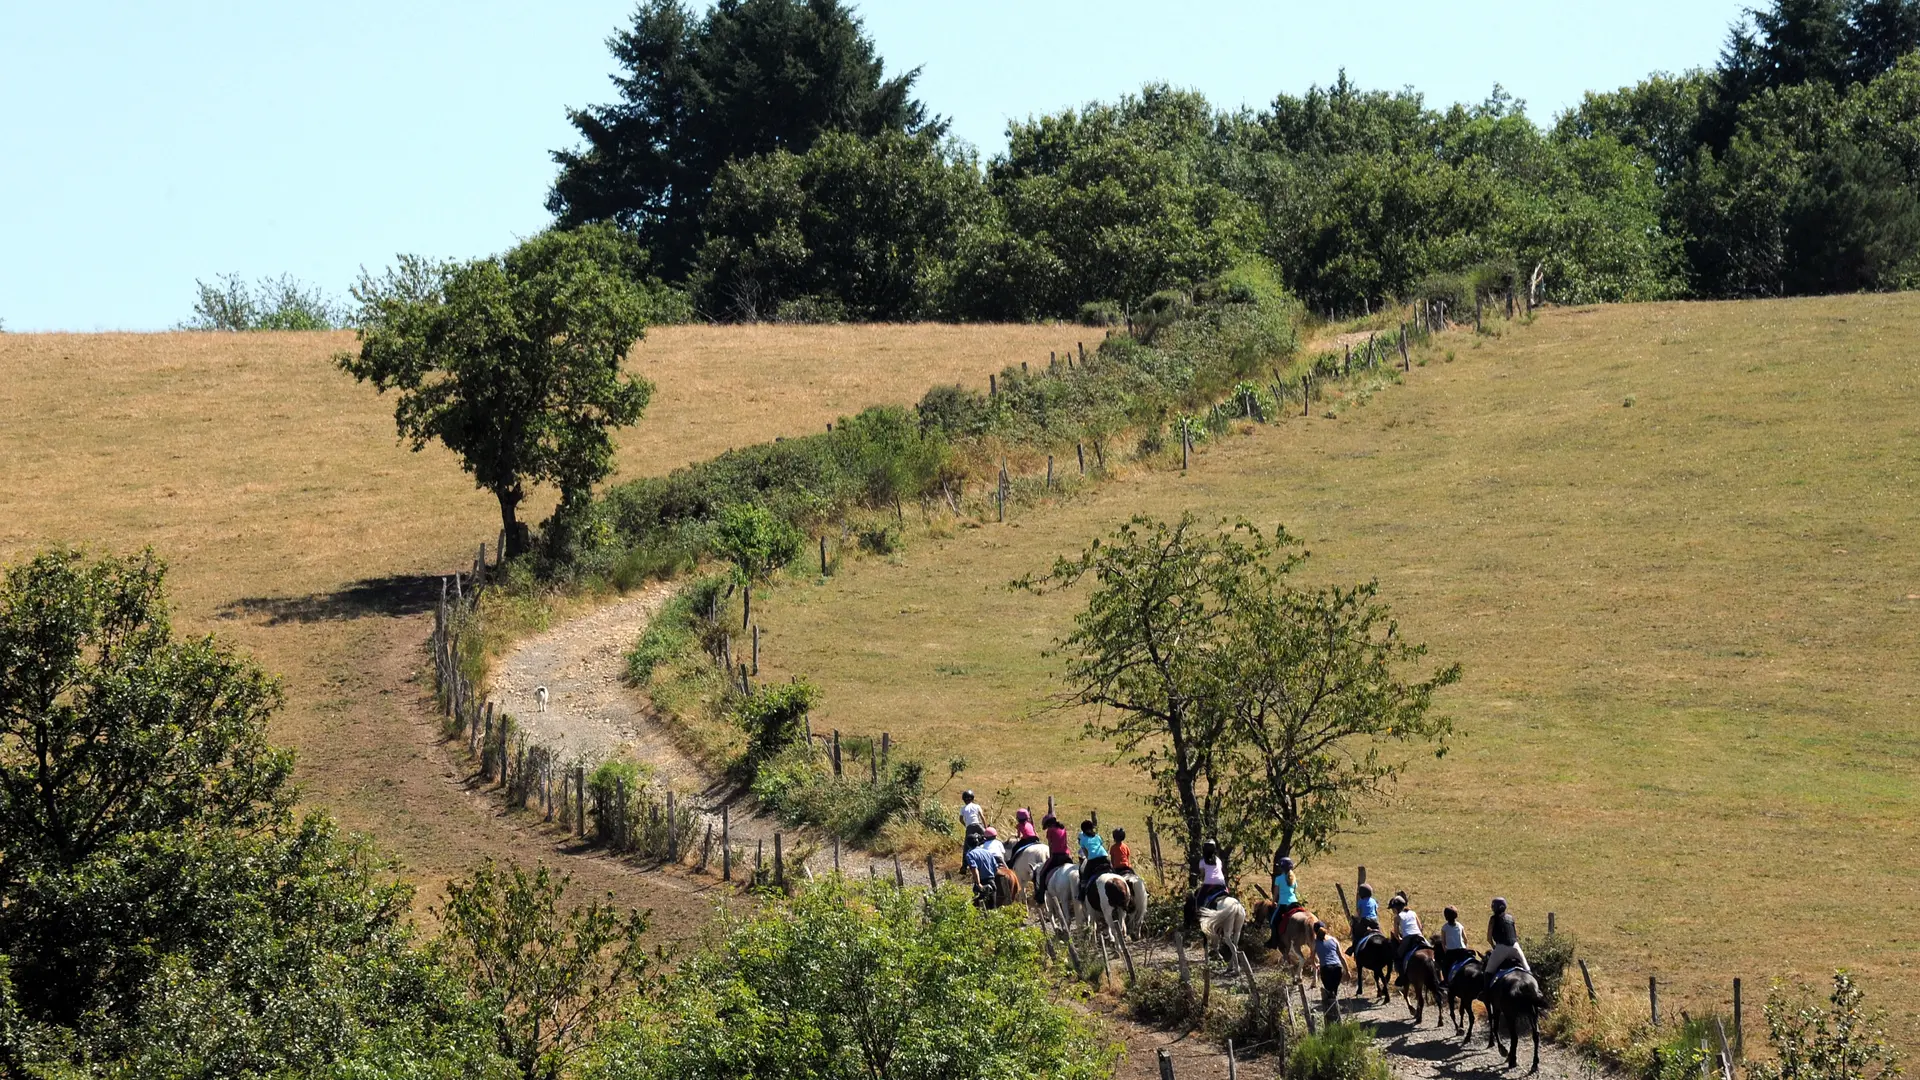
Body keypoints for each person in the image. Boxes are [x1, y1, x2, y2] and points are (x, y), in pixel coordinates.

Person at [1483, 897, 1531, 977]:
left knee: (1488, 972)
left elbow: (1489, 938)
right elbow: (1515, 935)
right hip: (1515, 947)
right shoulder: (1511, 918)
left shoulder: (1493, 919)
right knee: (1528, 970)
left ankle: (1486, 989)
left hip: (1501, 948)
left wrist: (1494, 946)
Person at [1186, 840, 1228, 928]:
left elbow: (1202, 875)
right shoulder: (1218, 860)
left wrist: (1200, 879)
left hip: (1209, 883)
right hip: (1221, 883)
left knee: (1199, 899)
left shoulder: (1202, 861)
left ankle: (1198, 915)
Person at [1265, 853, 1304, 948]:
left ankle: (1274, 942)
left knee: (1273, 922)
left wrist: (1274, 902)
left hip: (1283, 904)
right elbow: (1294, 892)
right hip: (1295, 903)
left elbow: (1276, 894)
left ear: (1281, 868)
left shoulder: (1278, 879)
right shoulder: (1294, 879)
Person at [1310, 921, 1346, 1021]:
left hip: (1326, 969)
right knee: (1334, 992)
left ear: (1315, 931)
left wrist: (1315, 965)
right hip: (1338, 967)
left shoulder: (1315, 943)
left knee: (1329, 992)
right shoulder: (1334, 940)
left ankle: (1332, 1017)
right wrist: (1347, 970)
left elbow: (1311, 958)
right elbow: (1341, 956)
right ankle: (1336, 1014)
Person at [1388, 892, 1429, 978]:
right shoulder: (1413, 913)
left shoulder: (1397, 917)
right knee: (1432, 950)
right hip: (1419, 936)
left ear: (1396, 908)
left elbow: (1396, 933)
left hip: (1408, 938)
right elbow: (1420, 927)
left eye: (1393, 909)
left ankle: (1402, 977)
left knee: (1398, 956)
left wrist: (1399, 939)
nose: (1393, 911)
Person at [963, 832, 1004, 905]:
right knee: (992, 908)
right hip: (992, 882)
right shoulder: (987, 852)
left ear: (968, 844)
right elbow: (995, 868)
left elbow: (974, 869)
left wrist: (978, 883)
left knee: (978, 907)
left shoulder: (970, 854)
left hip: (982, 883)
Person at [1077, 820, 1111, 905]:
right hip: (1104, 857)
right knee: (1114, 871)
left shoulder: (1083, 840)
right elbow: (1101, 844)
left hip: (1093, 860)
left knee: (1084, 877)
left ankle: (1081, 895)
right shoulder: (1097, 836)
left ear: (1083, 830)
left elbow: (1086, 855)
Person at [1438, 905, 1473, 984]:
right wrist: (1465, 947)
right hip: (1462, 950)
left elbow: (1443, 942)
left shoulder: (1444, 928)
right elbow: (1465, 939)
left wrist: (1445, 951)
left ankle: (1446, 982)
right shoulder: (1460, 925)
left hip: (1451, 952)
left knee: (1445, 967)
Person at [1037, 814, 1072, 891]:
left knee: (1042, 874)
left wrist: (1050, 857)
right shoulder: (1063, 829)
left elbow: (1050, 845)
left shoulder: (1050, 830)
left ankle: (1040, 895)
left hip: (1056, 856)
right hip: (1067, 855)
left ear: (1048, 824)